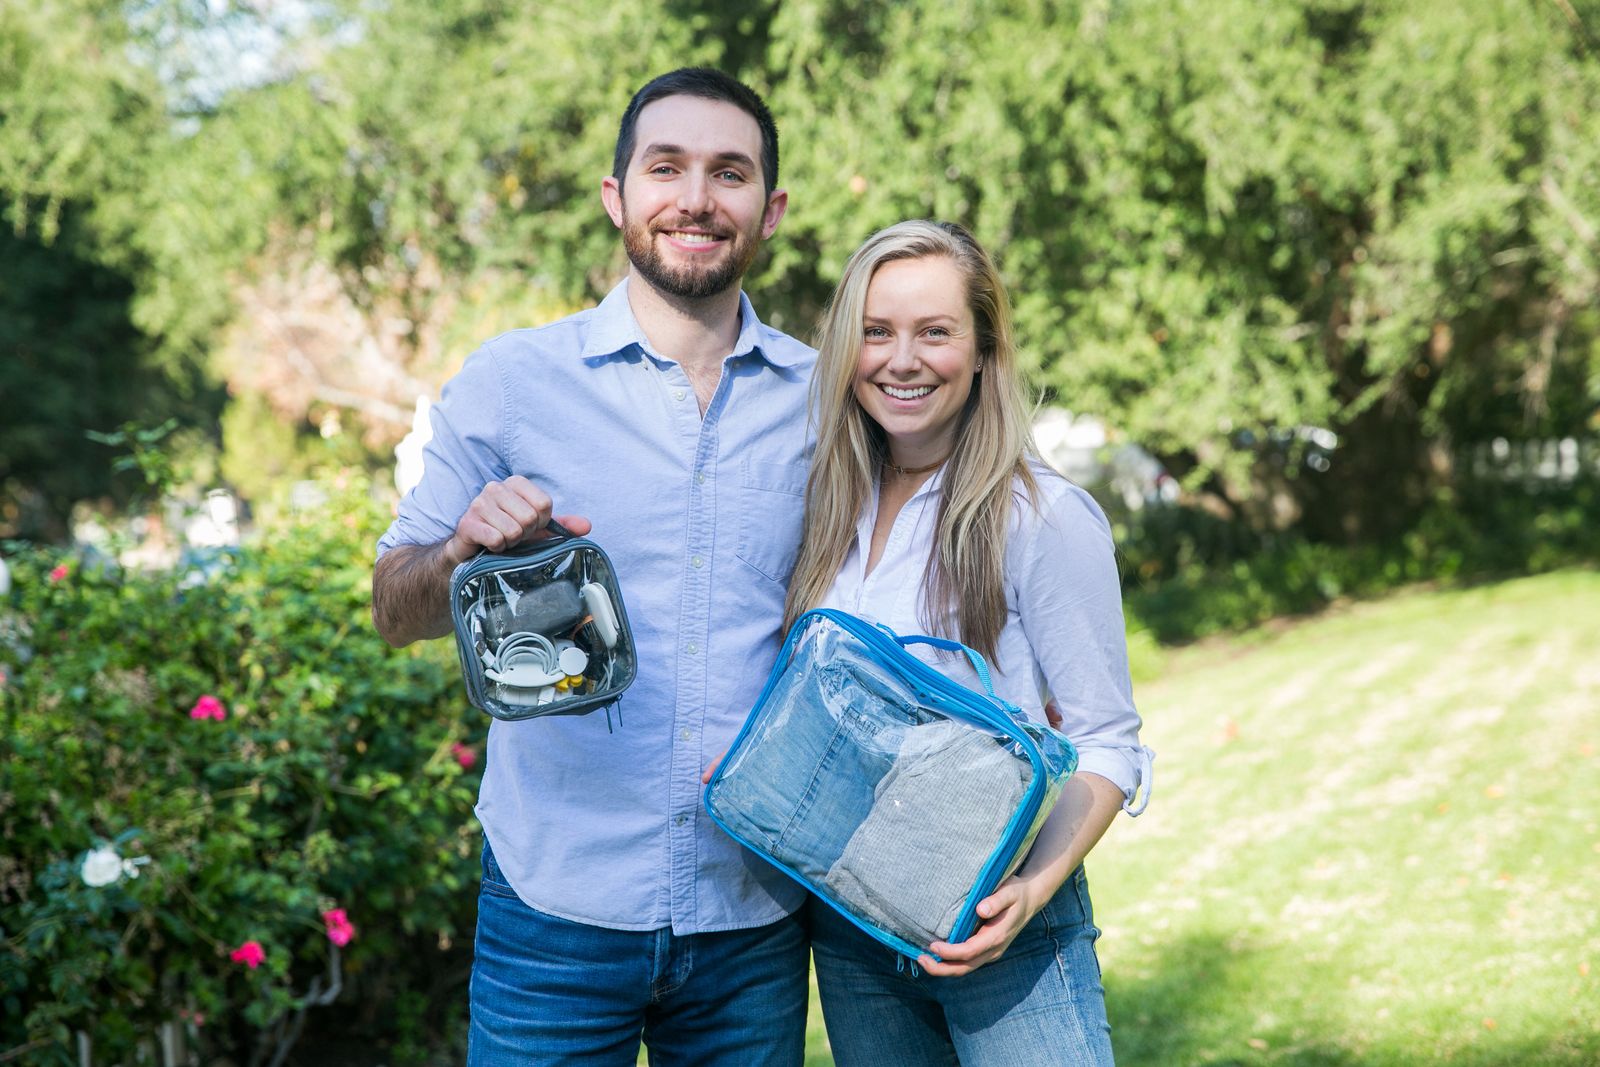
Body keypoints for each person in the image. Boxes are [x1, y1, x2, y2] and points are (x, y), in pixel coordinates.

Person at [370, 68, 814, 1066]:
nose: (695, 199)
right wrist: (460, 554)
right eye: (666, 168)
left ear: (769, 209)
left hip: (753, 914)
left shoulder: (825, 403)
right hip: (554, 910)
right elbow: (392, 607)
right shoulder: (511, 382)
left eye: (728, 173)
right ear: (618, 195)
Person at [784, 219, 1153, 1066]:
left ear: (984, 350)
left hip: (1000, 922)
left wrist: (1030, 892)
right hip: (851, 928)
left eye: (935, 332)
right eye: (876, 332)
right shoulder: (826, 509)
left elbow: (1107, 741)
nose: (901, 359)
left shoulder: (1043, 518)